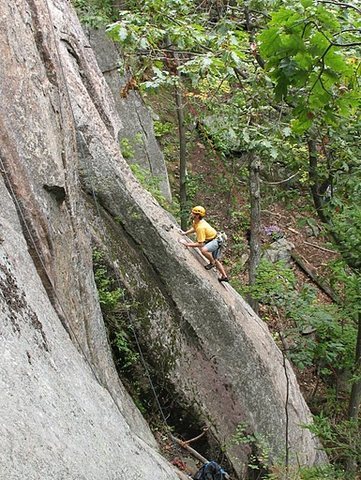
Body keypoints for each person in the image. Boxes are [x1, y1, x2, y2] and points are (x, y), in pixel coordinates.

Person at [179, 206, 229, 282]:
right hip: (215, 239)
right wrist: (185, 233)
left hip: (216, 241)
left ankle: (212, 263)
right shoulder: (197, 222)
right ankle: (224, 276)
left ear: (197, 215)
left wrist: (187, 244)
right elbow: (194, 228)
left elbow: (200, 244)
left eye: (193, 213)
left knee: (204, 250)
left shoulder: (201, 227)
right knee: (216, 260)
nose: (191, 214)